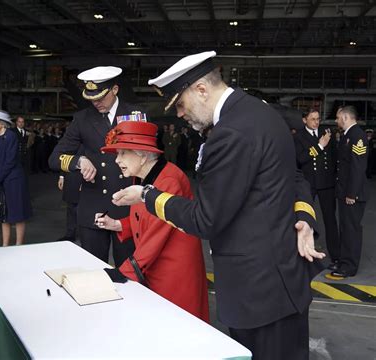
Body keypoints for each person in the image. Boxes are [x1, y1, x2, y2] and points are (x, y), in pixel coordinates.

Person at [111, 51, 325, 360]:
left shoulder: (230, 133)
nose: (181, 115)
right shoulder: (262, 113)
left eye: (180, 105)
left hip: (259, 291)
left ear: (201, 89)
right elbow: (292, 176)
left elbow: (205, 220)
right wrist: (304, 217)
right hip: (282, 281)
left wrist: (147, 196)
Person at [95, 120, 209, 322]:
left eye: (122, 153)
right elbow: (149, 217)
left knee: (177, 329)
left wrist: (124, 272)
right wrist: (119, 224)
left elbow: (157, 235)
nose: (116, 160)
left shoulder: (168, 181)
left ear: (142, 154)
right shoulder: (143, 175)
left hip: (174, 272)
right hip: (155, 266)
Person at [48, 66, 139, 266]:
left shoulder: (135, 114)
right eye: (92, 98)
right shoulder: (82, 119)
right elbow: (55, 158)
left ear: (114, 90)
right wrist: (79, 161)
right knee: (95, 271)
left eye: (100, 97)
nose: (95, 102)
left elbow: (150, 158)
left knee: (129, 271)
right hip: (93, 207)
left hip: (127, 207)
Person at [294, 108, 339, 270]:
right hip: (308, 183)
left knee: (330, 221)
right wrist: (320, 146)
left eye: (318, 119)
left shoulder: (327, 133)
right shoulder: (298, 137)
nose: (316, 122)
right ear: (304, 120)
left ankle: (336, 257)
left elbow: (334, 157)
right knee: (303, 217)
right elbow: (300, 159)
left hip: (327, 183)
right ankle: (302, 252)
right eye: (312, 119)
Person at [329, 106, 368, 279]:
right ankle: (344, 261)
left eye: (338, 118)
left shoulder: (357, 136)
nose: (336, 121)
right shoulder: (348, 136)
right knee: (344, 228)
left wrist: (352, 193)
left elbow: (358, 168)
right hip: (344, 192)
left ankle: (349, 267)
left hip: (352, 194)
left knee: (351, 230)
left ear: (345, 117)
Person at [0, 109, 32, 246]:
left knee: (18, 213)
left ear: (1, 123)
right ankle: (5, 245)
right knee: (4, 214)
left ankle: (19, 244)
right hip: (2, 179)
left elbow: (10, 161)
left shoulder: (11, 136)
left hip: (13, 180)